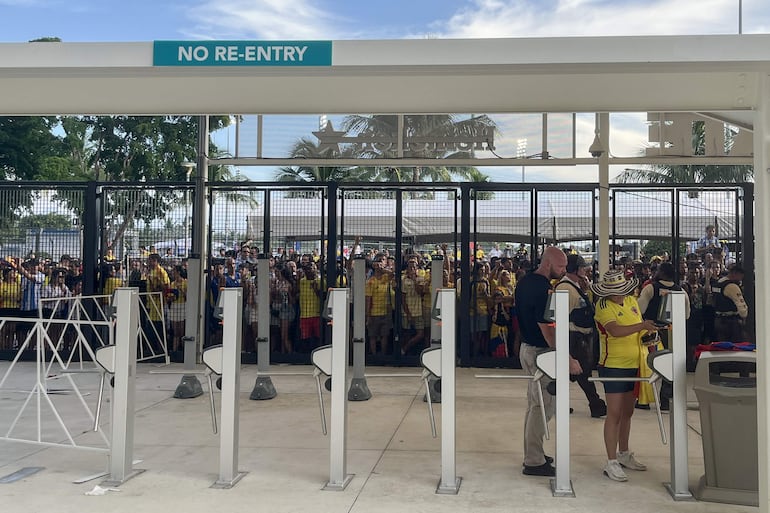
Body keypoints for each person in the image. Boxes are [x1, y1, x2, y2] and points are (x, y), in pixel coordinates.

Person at [514, 246, 581, 477]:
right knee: (543, 406)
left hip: (528, 348)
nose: (564, 271)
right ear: (548, 263)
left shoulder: (525, 282)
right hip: (539, 352)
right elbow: (547, 330)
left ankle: (535, 453)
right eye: (561, 266)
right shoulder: (542, 289)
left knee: (535, 405)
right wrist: (568, 358)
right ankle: (533, 460)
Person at [592, 270, 661, 482]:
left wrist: (649, 334)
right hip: (613, 365)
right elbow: (615, 330)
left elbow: (636, 328)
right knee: (613, 412)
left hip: (636, 362)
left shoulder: (631, 301)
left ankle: (623, 453)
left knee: (627, 412)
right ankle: (611, 461)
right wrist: (642, 325)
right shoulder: (603, 306)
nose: (620, 295)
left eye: (622, 290)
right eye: (616, 291)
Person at [555, 254, 607, 418]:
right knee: (580, 373)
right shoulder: (564, 288)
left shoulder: (574, 286)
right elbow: (560, 317)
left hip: (580, 336)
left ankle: (562, 403)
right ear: (574, 269)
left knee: (574, 373)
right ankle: (595, 404)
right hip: (573, 336)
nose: (586, 270)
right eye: (583, 267)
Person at [711, 264, 748, 342]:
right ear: (735, 273)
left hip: (718, 320)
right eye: (740, 276)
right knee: (735, 349)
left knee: (722, 347)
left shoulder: (718, 284)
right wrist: (744, 316)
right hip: (731, 324)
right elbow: (741, 305)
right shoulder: (732, 286)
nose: (740, 279)